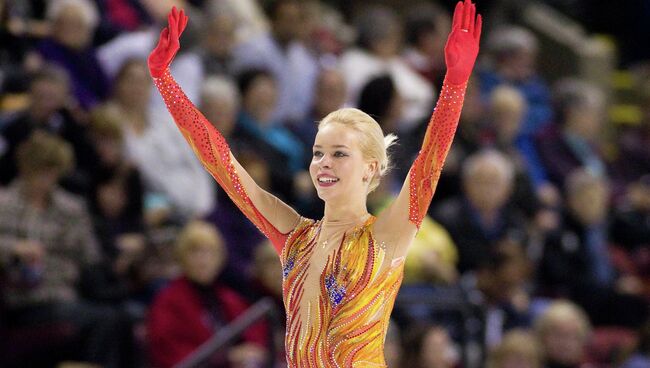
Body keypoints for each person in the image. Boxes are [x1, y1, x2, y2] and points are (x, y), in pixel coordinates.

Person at [147, 1, 481, 365]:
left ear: (370, 168)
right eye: (318, 152)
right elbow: (223, 164)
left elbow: (427, 167)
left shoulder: (386, 237)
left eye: (339, 154)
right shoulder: (295, 237)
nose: (323, 163)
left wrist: (454, 85)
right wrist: (165, 81)